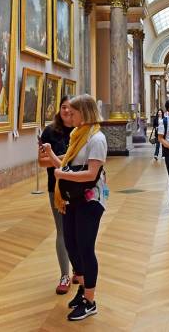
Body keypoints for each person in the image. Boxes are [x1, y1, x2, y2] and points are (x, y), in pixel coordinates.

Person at [40, 95, 108, 321]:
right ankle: (82, 288)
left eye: (74, 112)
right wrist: (51, 155)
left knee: (85, 248)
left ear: (85, 113)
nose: (70, 115)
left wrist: (63, 174)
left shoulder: (96, 139)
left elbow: (91, 174)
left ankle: (90, 300)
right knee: (71, 244)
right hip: (71, 198)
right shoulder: (77, 135)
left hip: (90, 200)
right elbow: (66, 166)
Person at [38, 95, 75, 295]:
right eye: (63, 107)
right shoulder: (50, 132)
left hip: (80, 186)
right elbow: (41, 162)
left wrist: (55, 157)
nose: (66, 111)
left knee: (77, 230)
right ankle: (64, 274)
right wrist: (65, 158)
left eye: (70, 108)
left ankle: (78, 268)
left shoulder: (82, 130)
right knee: (61, 230)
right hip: (57, 187)